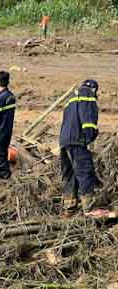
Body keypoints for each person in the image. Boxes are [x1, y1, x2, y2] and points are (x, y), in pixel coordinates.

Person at [59, 79, 101, 216]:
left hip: (64, 141)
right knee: (85, 171)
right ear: (94, 89)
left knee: (70, 173)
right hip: (77, 140)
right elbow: (88, 119)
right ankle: (89, 208)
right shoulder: (87, 93)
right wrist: (89, 137)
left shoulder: (71, 98)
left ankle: (69, 207)